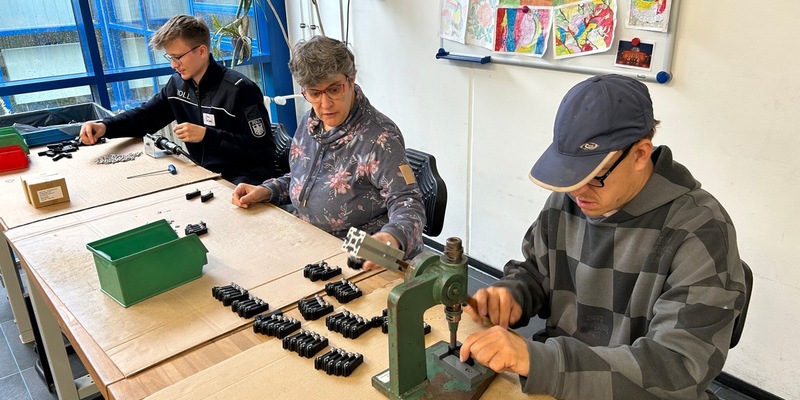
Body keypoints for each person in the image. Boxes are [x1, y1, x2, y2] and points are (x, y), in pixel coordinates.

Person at [460, 74, 746, 399]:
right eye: (570, 173)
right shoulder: (571, 198)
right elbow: (537, 271)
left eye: (594, 175)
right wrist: (512, 295)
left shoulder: (700, 230)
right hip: (559, 383)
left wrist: (544, 361)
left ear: (640, 154)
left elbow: (676, 370)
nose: (577, 190)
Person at [231, 36, 426, 269]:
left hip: (357, 249)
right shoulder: (310, 123)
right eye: (314, 93)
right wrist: (266, 190)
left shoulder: (380, 138)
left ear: (351, 80)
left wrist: (391, 238)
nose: (325, 104)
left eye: (334, 89)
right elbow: (303, 178)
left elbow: (408, 202)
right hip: (310, 237)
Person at [79, 15, 277, 185]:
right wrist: (105, 126)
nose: (174, 65)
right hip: (205, 175)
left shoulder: (241, 90)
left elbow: (263, 150)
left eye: (178, 57)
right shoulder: (177, 85)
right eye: (170, 57)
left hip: (245, 181)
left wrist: (208, 136)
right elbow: (145, 117)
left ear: (201, 51)